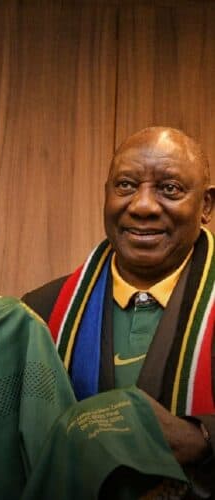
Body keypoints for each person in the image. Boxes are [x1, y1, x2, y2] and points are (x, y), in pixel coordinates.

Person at [23, 126, 215, 496]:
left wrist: (203, 437)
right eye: (126, 185)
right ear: (106, 194)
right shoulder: (41, 311)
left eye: (169, 189)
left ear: (205, 205)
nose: (142, 206)